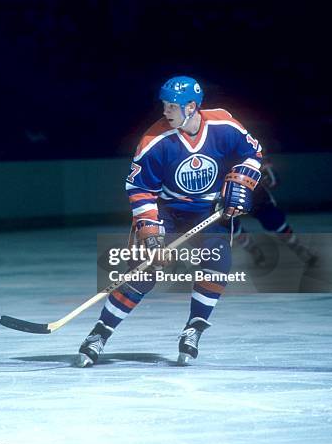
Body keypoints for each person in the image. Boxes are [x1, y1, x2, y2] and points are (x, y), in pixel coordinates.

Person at [77, 76, 263, 367]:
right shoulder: (154, 141)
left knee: (218, 264)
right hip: (167, 211)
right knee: (143, 271)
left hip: (208, 211)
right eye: (164, 105)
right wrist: (151, 235)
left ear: (191, 107)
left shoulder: (224, 125)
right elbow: (140, 190)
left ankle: (194, 329)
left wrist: (242, 181)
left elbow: (252, 154)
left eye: (172, 106)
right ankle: (99, 334)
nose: (165, 112)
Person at [233, 161, 317, 267]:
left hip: (257, 199)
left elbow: (273, 182)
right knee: (228, 224)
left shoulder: (249, 153)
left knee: (274, 220)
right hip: (228, 194)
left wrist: (266, 174)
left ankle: (297, 247)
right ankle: (254, 250)